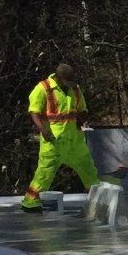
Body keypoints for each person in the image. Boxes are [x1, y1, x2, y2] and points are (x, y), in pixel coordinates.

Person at [21, 64, 98, 211]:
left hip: (74, 140)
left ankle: (96, 197)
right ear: (58, 78)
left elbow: (82, 110)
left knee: (88, 169)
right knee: (44, 173)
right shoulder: (43, 88)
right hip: (53, 141)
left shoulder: (75, 88)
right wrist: (43, 130)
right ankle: (31, 202)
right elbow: (34, 112)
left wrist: (85, 120)